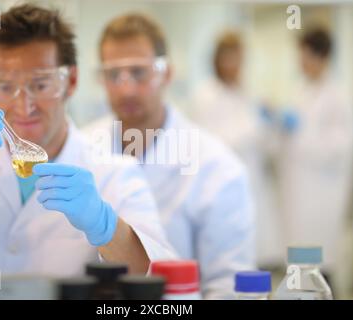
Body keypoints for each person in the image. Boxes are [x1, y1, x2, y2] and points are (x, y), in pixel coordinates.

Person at [0, 5, 176, 299]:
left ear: (71, 81)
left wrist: (105, 226)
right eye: (4, 86)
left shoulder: (114, 171)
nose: (23, 106)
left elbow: (162, 284)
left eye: (40, 84)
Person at [84, 13, 255, 299]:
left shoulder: (217, 166)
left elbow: (229, 287)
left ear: (167, 74)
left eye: (139, 72)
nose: (126, 88)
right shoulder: (82, 148)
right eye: (114, 74)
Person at [190, 32, 283, 267]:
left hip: (253, 184)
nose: (236, 65)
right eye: (230, 59)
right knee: (228, 263)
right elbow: (215, 143)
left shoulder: (246, 93)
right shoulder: (206, 94)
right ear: (218, 60)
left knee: (257, 261)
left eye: (240, 59)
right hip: (221, 187)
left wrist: (272, 123)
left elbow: (266, 145)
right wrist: (255, 125)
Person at [277, 27, 353, 280]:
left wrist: (300, 132)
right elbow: (287, 142)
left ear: (322, 57)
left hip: (322, 195)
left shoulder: (339, 97)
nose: (300, 62)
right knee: (299, 269)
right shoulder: (301, 91)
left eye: (305, 56)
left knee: (321, 272)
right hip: (297, 194)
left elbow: (338, 148)